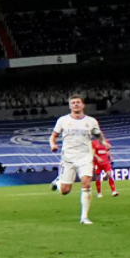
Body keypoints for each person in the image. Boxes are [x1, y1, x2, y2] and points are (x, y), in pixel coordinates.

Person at [49, 95, 101, 225]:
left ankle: (84, 217)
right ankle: (58, 183)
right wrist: (53, 145)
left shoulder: (91, 121)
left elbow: (97, 134)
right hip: (68, 158)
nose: (76, 104)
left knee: (86, 183)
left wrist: (104, 142)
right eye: (73, 103)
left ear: (83, 105)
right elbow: (53, 136)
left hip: (85, 157)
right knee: (65, 191)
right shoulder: (63, 120)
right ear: (70, 106)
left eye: (78, 102)